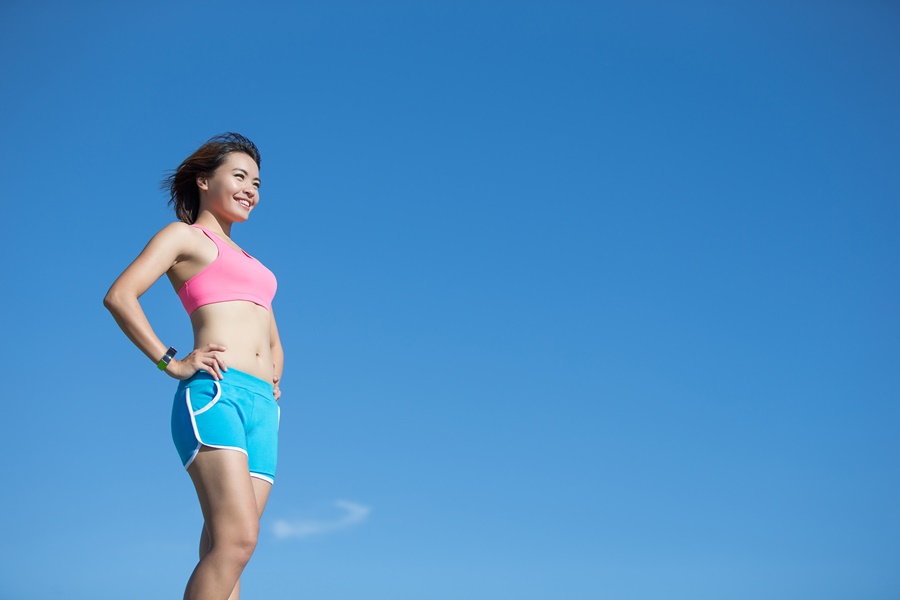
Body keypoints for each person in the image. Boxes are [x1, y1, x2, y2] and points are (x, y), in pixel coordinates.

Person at [104, 132, 283, 600]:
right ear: (204, 181)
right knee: (238, 541)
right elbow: (120, 296)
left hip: (262, 405)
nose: (250, 189)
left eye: (257, 182)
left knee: (227, 551)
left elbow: (268, 330)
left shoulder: (253, 262)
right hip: (215, 395)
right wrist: (171, 361)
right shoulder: (185, 237)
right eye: (239, 176)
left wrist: (274, 372)